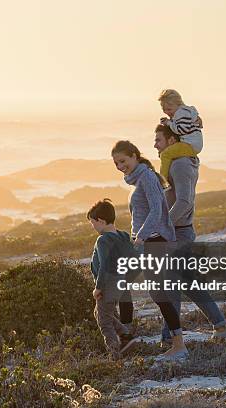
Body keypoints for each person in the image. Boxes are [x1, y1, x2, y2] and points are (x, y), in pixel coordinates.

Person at [154, 124, 226, 342]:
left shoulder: (180, 164)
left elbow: (184, 201)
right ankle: (221, 326)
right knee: (188, 283)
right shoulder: (175, 161)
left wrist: (164, 226)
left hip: (178, 233)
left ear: (172, 141)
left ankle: (170, 338)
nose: (155, 145)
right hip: (178, 231)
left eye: (158, 140)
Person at [111, 140, 188, 361]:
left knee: (157, 293)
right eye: (116, 163)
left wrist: (142, 236)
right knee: (123, 282)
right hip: (145, 241)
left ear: (135, 156)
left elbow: (157, 210)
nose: (120, 166)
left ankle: (178, 345)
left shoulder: (147, 177)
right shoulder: (139, 179)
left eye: (123, 161)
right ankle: (127, 336)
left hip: (154, 242)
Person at [87, 199, 140, 359]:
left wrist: (99, 287)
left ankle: (114, 353)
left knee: (104, 322)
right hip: (119, 283)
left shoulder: (103, 240)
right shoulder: (123, 236)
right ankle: (126, 335)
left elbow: (104, 266)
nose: (93, 227)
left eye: (93, 223)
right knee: (102, 313)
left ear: (101, 221)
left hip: (107, 285)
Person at [157, 89, 203, 182]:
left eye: (169, 109)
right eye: (164, 110)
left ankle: (162, 182)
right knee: (169, 153)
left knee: (165, 154)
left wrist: (169, 123)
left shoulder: (181, 113)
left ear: (179, 104)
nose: (166, 112)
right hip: (192, 145)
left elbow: (182, 130)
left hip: (190, 145)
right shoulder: (184, 112)